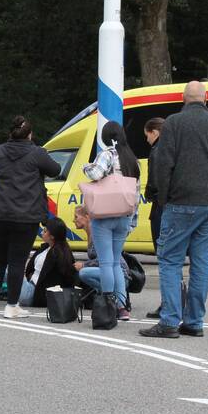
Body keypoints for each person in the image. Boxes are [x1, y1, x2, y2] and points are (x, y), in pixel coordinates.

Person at [140, 81, 208, 339]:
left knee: (171, 260)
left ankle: (170, 321)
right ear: (206, 100)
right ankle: (194, 321)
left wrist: (163, 197)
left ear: (183, 98)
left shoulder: (173, 123)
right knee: (202, 263)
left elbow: (163, 163)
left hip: (181, 203)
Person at [0, 116, 64, 319]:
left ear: (10, 133)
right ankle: (11, 306)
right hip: (25, 216)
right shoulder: (37, 154)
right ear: (30, 134)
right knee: (17, 262)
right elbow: (56, 170)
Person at [81, 121, 140, 321]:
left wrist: (85, 167)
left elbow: (96, 173)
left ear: (105, 137)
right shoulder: (132, 159)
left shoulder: (107, 154)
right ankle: (123, 307)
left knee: (105, 262)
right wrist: (132, 220)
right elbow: (136, 193)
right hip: (124, 216)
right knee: (115, 262)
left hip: (104, 216)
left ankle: (108, 304)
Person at [71, 205, 131, 309]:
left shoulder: (97, 235)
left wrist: (84, 265)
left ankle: (111, 297)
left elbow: (105, 259)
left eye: (76, 217)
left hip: (120, 275)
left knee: (84, 273)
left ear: (87, 216)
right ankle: (110, 297)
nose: (73, 220)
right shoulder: (91, 235)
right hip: (112, 272)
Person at [18, 218, 80, 307]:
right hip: (30, 286)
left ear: (52, 236)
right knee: (5, 265)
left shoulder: (58, 253)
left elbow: (67, 278)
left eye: (45, 231)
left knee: (9, 266)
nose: (42, 233)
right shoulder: (45, 247)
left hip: (33, 294)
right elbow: (31, 269)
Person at [143, 116, 166, 320]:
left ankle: (166, 304)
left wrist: (149, 193)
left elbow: (156, 181)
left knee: (164, 256)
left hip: (161, 206)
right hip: (174, 207)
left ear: (155, 132)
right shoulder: (176, 147)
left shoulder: (158, 151)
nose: (147, 140)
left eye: (147, 135)